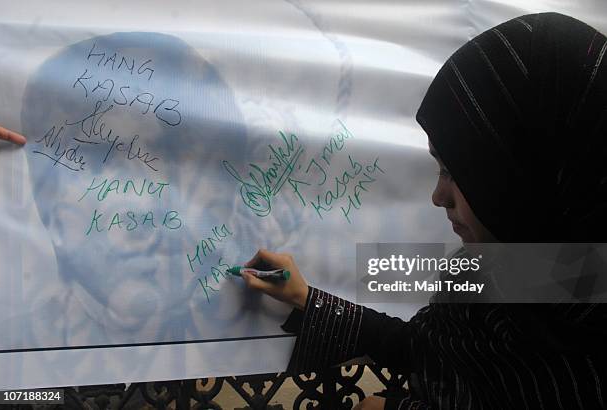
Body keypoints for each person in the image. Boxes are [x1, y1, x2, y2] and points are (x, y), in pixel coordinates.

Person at [241, 12, 607, 409]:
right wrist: (307, 297)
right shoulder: (519, 273)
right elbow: (422, 348)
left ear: (525, 173)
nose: (437, 196)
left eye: (455, 171)